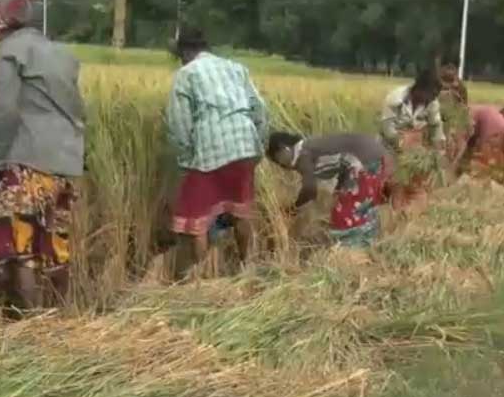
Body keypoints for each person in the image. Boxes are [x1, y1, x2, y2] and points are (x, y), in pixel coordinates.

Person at [0, 0, 87, 310]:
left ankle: (31, 328)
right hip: (66, 163)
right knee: (56, 246)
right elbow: (77, 109)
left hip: (27, 161)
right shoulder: (62, 54)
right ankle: (61, 320)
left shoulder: (10, 52)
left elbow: (4, 111)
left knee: (19, 249)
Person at [165, 27, 268, 273]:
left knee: (195, 219)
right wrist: (257, 145)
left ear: (184, 52)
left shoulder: (186, 74)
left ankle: (202, 276)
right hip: (245, 145)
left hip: (210, 150)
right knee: (240, 210)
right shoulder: (236, 68)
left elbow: (179, 123)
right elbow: (260, 109)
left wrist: (187, 158)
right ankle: (247, 267)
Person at [267, 131, 392, 248]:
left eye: (277, 160)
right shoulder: (309, 146)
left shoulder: (303, 155)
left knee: (345, 212)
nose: (281, 166)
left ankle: (352, 248)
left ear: (284, 149)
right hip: (375, 156)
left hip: (366, 159)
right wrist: (340, 189)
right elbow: (343, 163)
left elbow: (310, 190)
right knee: (362, 206)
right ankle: (369, 243)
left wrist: (292, 210)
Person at [380, 68, 446, 153]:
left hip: (414, 150)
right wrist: (404, 143)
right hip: (389, 149)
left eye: (435, 96)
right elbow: (388, 131)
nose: (433, 99)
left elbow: (436, 127)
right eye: (432, 94)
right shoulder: (395, 99)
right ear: (421, 89)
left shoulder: (432, 103)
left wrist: (439, 151)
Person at [451, 104, 504, 183]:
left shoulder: (465, 118)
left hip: (492, 134)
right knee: (501, 165)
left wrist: (455, 168)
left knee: (487, 169)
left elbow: (460, 148)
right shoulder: (476, 111)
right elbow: (469, 144)